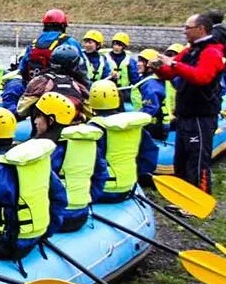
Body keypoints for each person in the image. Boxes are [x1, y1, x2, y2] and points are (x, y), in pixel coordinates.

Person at [0, 107, 66, 262]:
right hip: (37, 234)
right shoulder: (35, 160)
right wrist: (47, 231)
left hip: (6, 243)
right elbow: (60, 198)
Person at [151, 13, 225, 193]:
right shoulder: (190, 50)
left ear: (201, 29)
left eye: (187, 28)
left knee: (197, 158)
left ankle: (200, 195)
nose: (184, 32)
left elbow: (201, 76)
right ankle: (182, 196)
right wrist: (159, 68)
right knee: (181, 158)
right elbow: (170, 72)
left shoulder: (212, 52)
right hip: (185, 113)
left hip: (201, 115)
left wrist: (174, 65)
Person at [31, 92, 106, 232]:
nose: (35, 121)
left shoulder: (51, 149)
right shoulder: (88, 143)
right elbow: (101, 175)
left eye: (39, 116)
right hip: (81, 215)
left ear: (51, 120)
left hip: (55, 219)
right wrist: (87, 198)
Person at [87, 79, 152, 203]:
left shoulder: (94, 129)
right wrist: (139, 174)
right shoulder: (134, 125)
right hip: (129, 186)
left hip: (102, 190)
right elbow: (149, 154)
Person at [17, 45, 89, 120]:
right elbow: (89, 112)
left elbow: (22, 110)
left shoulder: (39, 81)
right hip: (71, 125)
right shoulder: (79, 85)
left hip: (43, 125)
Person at [17, 9, 85, 87]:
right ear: (63, 26)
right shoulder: (70, 42)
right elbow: (82, 67)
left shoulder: (33, 44)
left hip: (33, 88)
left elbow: (22, 69)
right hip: (62, 89)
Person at [129, 48, 166, 181]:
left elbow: (150, 108)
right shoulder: (149, 80)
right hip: (152, 122)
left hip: (152, 125)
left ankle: (144, 174)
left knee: (144, 147)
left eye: (142, 62)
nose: (138, 64)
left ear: (150, 66)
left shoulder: (150, 85)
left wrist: (134, 122)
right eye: (138, 60)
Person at [106, 33, 139, 101]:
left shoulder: (130, 61)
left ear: (124, 46)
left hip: (124, 90)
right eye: (115, 44)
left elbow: (135, 78)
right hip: (107, 90)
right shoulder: (105, 58)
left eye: (119, 45)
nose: (116, 47)